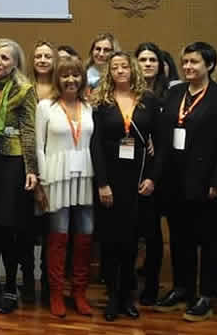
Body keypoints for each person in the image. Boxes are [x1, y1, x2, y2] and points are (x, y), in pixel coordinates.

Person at [154, 41, 217, 322]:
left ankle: (207, 293)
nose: (188, 67)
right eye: (185, 62)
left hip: (206, 180)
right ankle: (182, 287)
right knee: (179, 237)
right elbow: (166, 136)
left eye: (195, 62)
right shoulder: (175, 91)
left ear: (209, 65)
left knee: (210, 239)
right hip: (175, 179)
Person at [90, 52, 162, 321]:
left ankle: (127, 297)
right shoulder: (101, 102)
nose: (120, 71)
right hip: (110, 180)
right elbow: (95, 144)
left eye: (124, 66)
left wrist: (152, 178)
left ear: (132, 70)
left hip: (139, 179)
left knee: (132, 242)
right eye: (115, 67)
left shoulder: (148, 101)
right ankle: (112, 297)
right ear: (109, 72)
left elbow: (160, 144)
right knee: (110, 242)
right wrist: (102, 183)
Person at [0, 39, 38, 314]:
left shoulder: (25, 90)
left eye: (5, 58)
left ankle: (10, 285)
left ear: (15, 63)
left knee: (8, 227)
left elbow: (29, 131)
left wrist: (31, 169)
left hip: (12, 165)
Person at [36, 56, 95, 318]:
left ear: (82, 78)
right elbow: (39, 146)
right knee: (58, 237)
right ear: (58, 79)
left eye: (76, 75)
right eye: (65, 75)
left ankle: (79, 293)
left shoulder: (90, 106)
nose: (71, 80)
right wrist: (42, 182)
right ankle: (56, 293)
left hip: (85, 175)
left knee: (84, 235)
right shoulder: (45, 106)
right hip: (55, 176)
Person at [133, 41, 171, 305]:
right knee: (130, 229)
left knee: (152, 230)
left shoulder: (171, 94)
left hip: (160, 169)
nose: (147, 64)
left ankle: (152, 283)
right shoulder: (126, 91)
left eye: (152, 60)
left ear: (161, 65)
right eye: (143, 60)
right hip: (130, 167)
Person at [26, 40, 55, 304]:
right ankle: (26, 280)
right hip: (28, 161)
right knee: (27, 226)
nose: (43, 60)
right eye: (38, 56)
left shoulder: (61, 89)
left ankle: (49, 283)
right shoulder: (25, 87)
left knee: (50, 226)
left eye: (47, 56)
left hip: (56, 163)